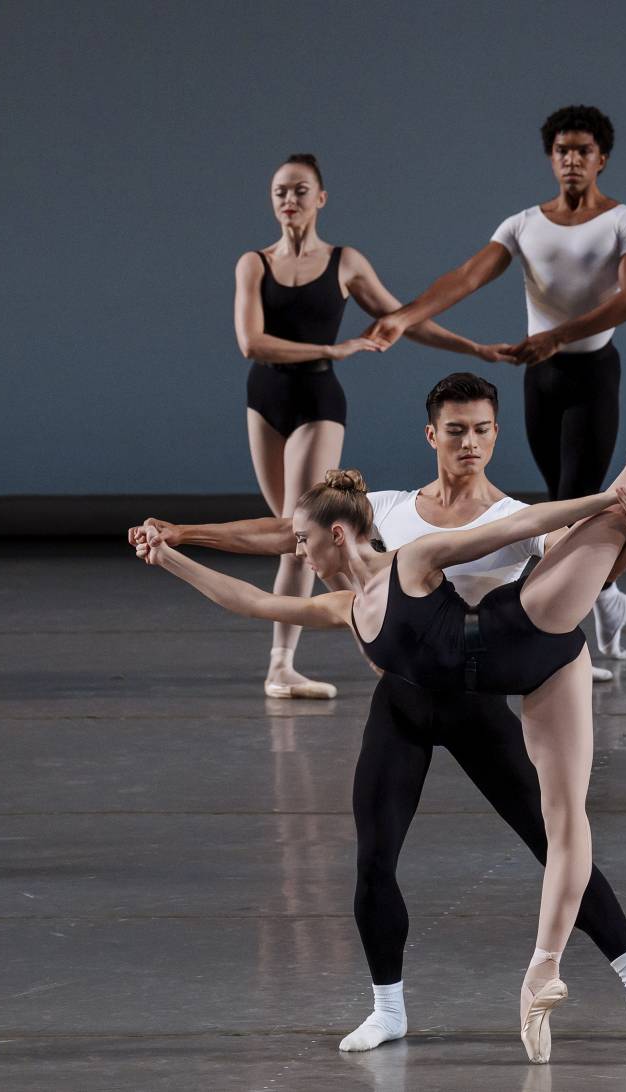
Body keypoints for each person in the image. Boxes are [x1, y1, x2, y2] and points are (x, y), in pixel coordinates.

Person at [136, 282, 626, 1062]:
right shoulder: (381, 518)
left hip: (491, 681)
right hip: (410, 702)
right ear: (432, 435)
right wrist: (179, 540)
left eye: (482, 430)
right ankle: (387, 1007)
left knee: (559, 841)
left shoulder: (479, 526)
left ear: (493, 433)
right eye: (456, 432)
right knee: (374, 858)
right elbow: (273, 552)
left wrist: (625, 515)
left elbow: (570, 556)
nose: (470, 443)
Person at [362, 105, 626, 662]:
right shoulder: (523, 224)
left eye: (583, 151)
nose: (571, 160)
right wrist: (404, 316)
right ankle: (608, 597)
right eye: (562, 150)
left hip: (591, 372)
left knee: (572, 500)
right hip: (539, 377)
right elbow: (467, 276)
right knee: (555, 503)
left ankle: (569, 637)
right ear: (551, 157)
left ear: (601, 159)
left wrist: (557, 337)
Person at [236, 153, 509, 699]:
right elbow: (252, 342)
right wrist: (333, 346)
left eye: (299, 190)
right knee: (305, 539)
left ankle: (281, 665)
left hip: (318, 398)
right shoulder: (254, 264)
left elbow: (404, 319)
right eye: (279, 192)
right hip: (264, 397)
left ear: (321, 198)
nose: (289, 200)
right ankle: (383, 643)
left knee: (297, 528)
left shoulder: (344, 262)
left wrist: (474, 347)